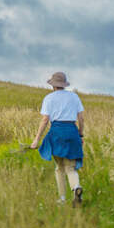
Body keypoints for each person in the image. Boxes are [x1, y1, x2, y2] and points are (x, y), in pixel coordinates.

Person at [30, 72, 85, 207]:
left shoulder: (49, 98)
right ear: (64, 85)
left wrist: (37, 139)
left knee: (60, 168)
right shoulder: (74, 97)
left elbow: (45, 120)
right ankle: (76, 187)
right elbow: (81, 118)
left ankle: (62, 199)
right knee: (71, 168)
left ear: (53, 85)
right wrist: (80, 134)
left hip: (57, 132)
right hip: (72, 132)